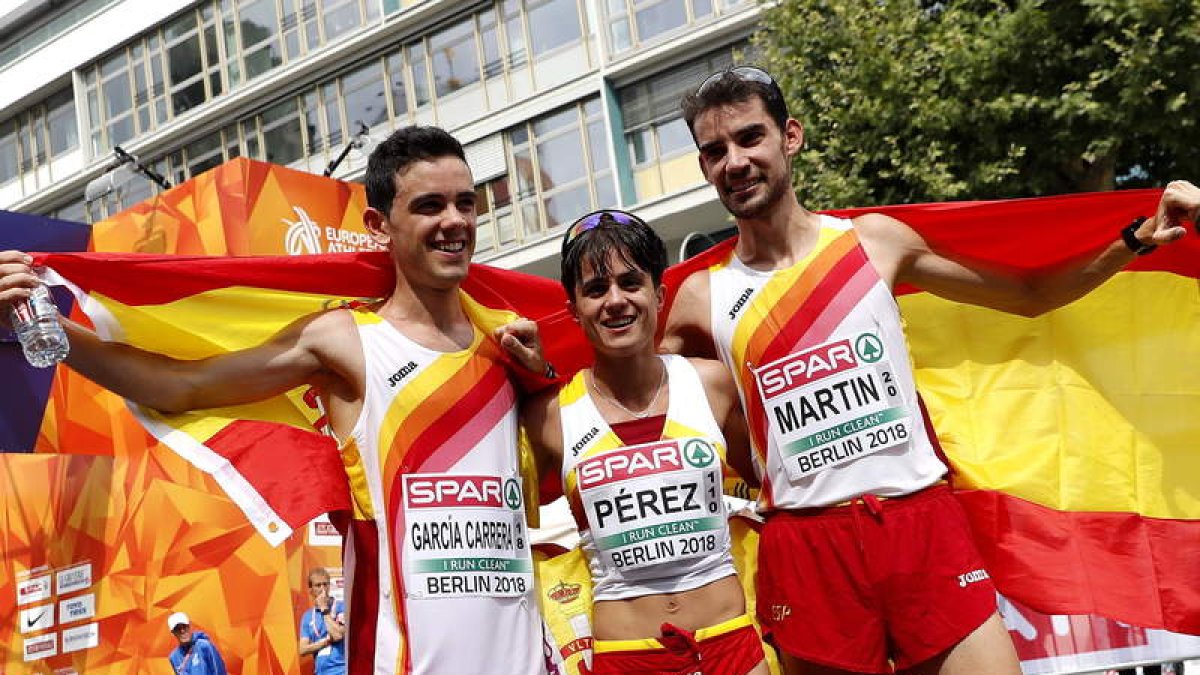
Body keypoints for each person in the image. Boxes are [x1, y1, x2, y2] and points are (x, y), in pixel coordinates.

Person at [661, 65, 1200, 675]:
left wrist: (1136, 240)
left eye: (749, 138)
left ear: (791, 136)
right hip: (808, 546)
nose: (734, 161)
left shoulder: (873, 242)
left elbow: (1027, 293)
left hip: (920, 524)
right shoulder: (700, 299)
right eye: (714, 151)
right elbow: (637, 394)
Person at [0, 126, 553, 674]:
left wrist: (543, 378)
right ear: (379, 227)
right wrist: (49, 333)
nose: (454, 222)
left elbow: (565, 462)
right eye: (430, 206)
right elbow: (179, 385)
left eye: (465, 203)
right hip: (398, 660)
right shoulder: (346, 341)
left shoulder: (511, 339)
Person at [522, 209, 768, 675]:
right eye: (596, 289)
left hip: (730, 644)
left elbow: (772, 483)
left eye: (630, 283)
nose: (615, 300)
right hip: (626, 655)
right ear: (574, 310)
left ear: (658, 294)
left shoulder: (711, 384)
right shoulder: (548, 417)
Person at [299, 568, 346, 674]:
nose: (323, 589)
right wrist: (324, 643)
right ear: (311, 590)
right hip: (321, 672)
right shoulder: (307, 616)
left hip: (341, 670)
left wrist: (324, 609)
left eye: (325, 584)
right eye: (318, 585)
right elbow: (302, 649)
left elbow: (337, 635)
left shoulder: (341, 607)